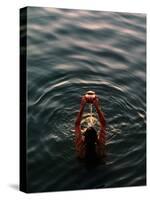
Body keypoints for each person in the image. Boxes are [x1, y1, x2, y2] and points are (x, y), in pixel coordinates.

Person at [75, 92, 106, 163]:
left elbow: (77, 124)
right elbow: (103, 124)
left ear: (84, 138)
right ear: (97, 137)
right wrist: (97, 107)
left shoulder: (80, 149)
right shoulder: (100, 148)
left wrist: (82, 106)